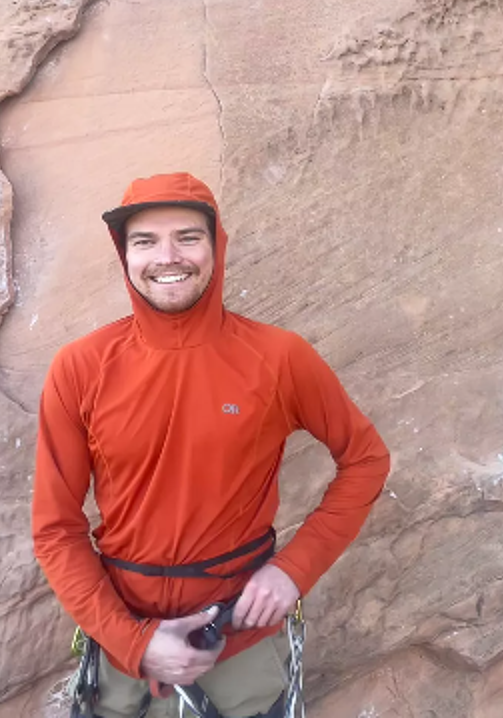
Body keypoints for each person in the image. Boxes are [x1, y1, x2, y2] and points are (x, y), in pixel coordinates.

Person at [32, 172, 391, 718]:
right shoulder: (81, 368)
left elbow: (365, 459)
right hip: (121, 650)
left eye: (188, 237)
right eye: (145, 241)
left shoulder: (278, 358)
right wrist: (133, 642)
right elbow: (55, 529)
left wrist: (294, 569)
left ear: (216, 245)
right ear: (124, 254)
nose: (167, 256)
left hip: (240, 644)